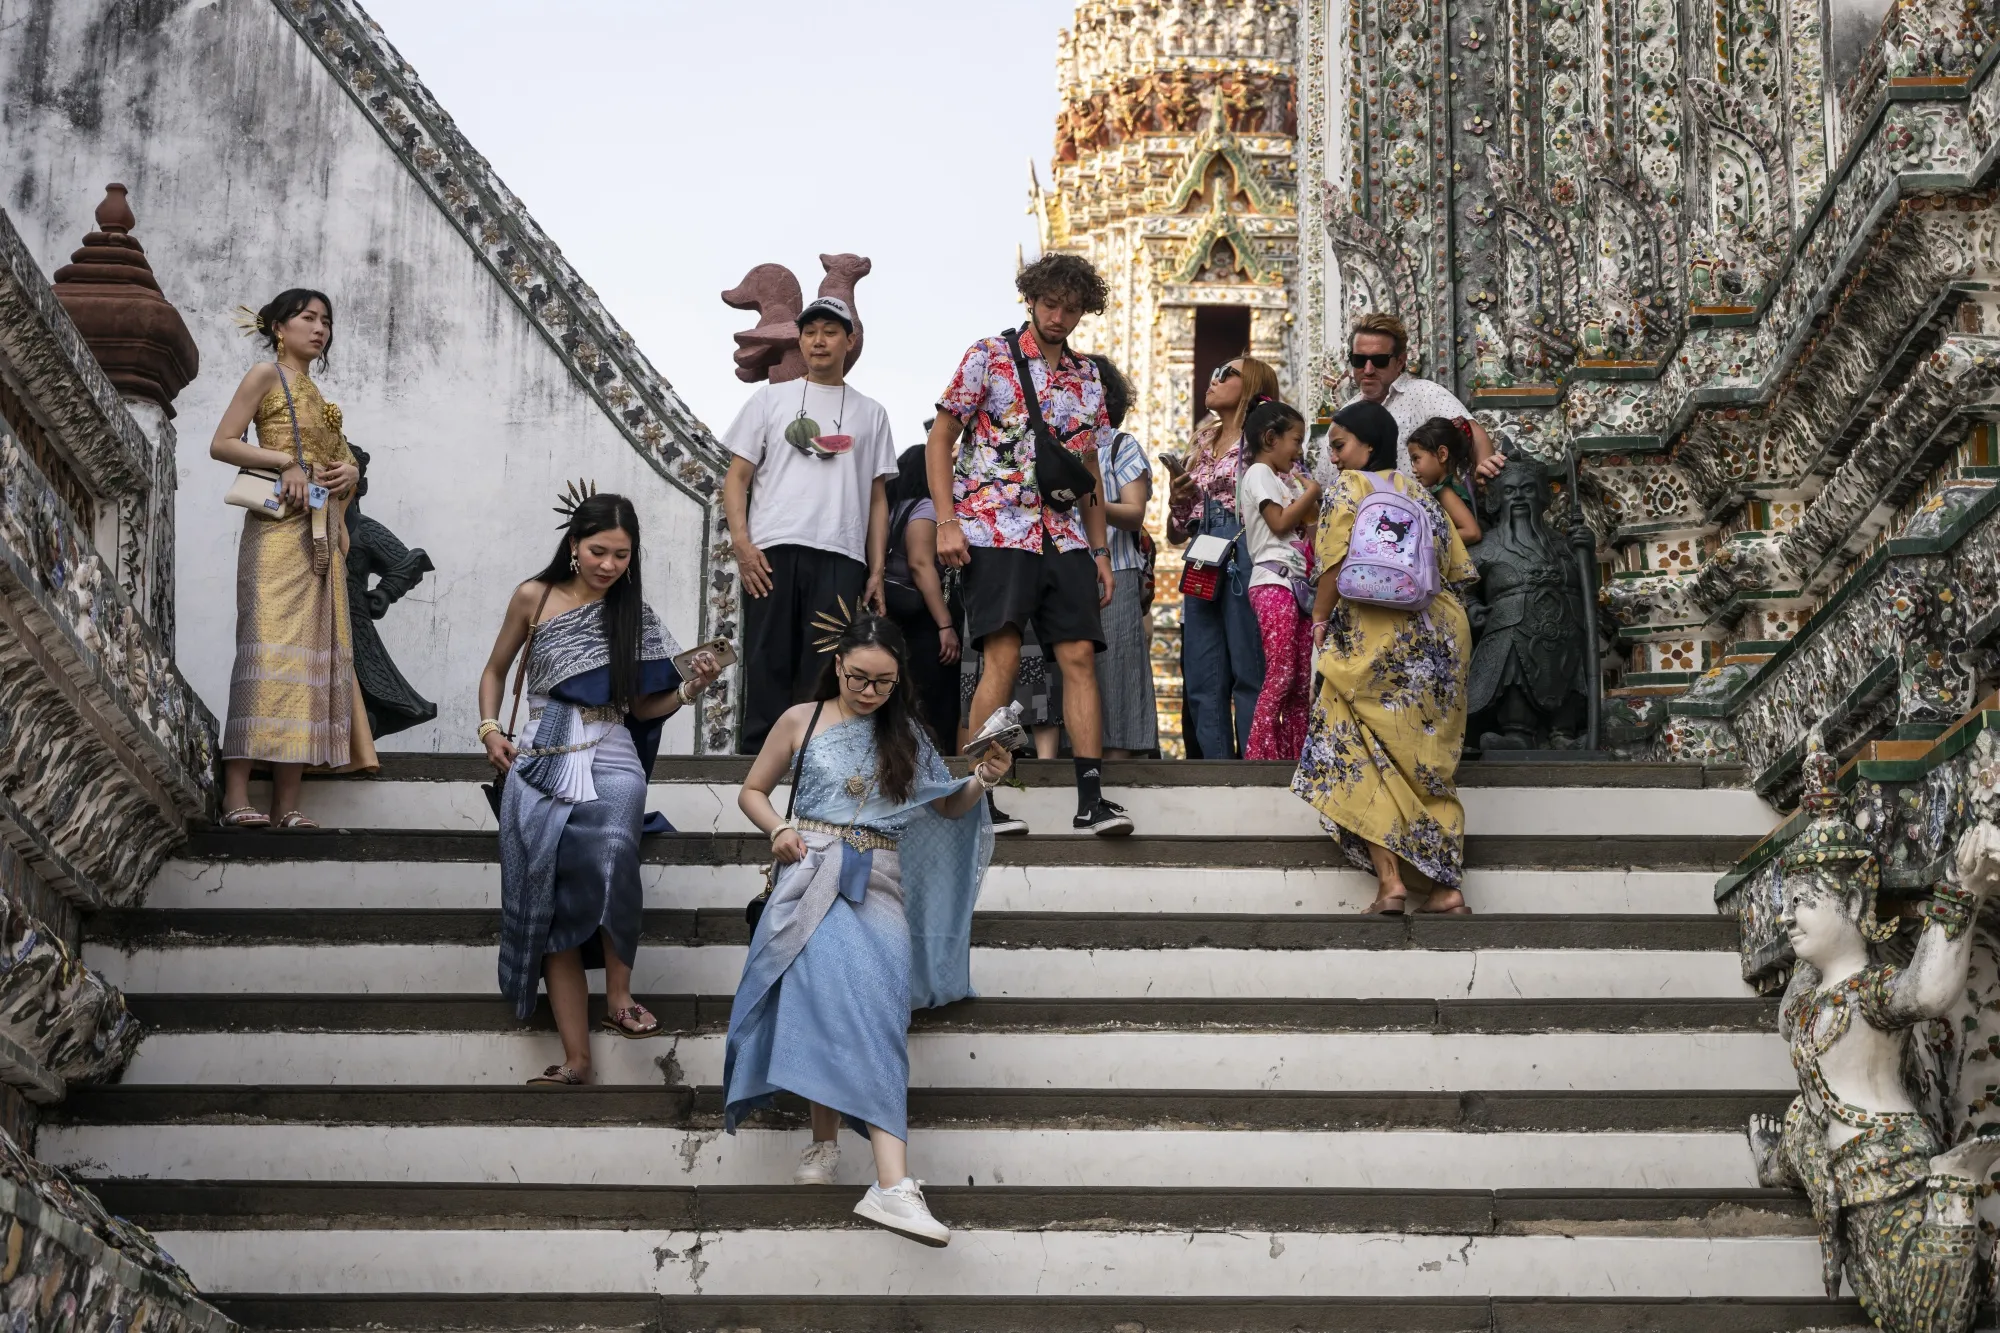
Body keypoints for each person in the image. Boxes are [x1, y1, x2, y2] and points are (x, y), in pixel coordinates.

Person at [724, 612, 1008, 1247]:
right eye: (859, 678)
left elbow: (948, 805)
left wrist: (982, 778)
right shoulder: (801, 718)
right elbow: (752, 790)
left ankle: (869, 1170)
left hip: (879, 880)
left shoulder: (904, 732)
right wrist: (778, 828)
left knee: (875, 1011)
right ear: (838, 665)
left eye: (883, 682)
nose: (869, 692)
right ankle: (880, 1175)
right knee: (825, 1003)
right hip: (808, 873)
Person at [478, 493, 720, 1085]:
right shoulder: (533, 597)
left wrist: (693, 688)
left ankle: (618, 995)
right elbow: (495, 671)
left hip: (611, 754)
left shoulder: (633, 616)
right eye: (598, 551)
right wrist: (489, 729)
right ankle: (577, 1058)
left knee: (613, 849)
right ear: (573, 545)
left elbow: (643, 706)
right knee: (549, 892)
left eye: (621, 555)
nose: (609, 565)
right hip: (540, 753)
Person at [925, 252, 1131, 835]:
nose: (1059, 317)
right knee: (1004, 657)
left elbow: (1087, 467)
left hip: (1063, 535)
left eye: (1071, 308)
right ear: (1031, 299)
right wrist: (947, 520)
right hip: (996, 526)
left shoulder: (1088, 376)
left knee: (1078, 657)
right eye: (1050, 304)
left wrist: (1098, 551)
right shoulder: (987, 357)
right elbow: (942, 438)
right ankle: (983, 798)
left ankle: (1091, 801)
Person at [1293, 400, 1478, 915]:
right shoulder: (1421, 491)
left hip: (1372, 635)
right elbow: (1455, 568)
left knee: (1354, 744)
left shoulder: (1348, 490)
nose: (1333, 457)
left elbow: (1331, 568)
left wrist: (1320, 623)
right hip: (1437, 639)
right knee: (1427, 765)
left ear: (1368, 445)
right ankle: (1446, 890)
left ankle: (1391, 883)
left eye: (1339, 444)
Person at [209, 289, 375, 830]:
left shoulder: (319, 395)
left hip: (318, 539)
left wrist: (349, 473)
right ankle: (236, 794)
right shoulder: (266, 376)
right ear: (279, 327)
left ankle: (287, 805)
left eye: (326, 320)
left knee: (307, 659)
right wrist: (286, 462)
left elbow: (339, 461)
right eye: (308, 318)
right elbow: (223, 443)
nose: (320, 328)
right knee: (264, 655)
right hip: (274, 535)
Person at [724, 296, 897, 754]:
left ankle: (818, 755)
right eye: (810, 331)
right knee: (767, 656)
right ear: (801, 340)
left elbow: (878, 499)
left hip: (841, 554)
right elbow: (736, 479)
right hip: (772, 550)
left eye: (831, 331)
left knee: (827, 661)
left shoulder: (871, 412)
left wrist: (876, 568)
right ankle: (757, 756)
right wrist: (742, 545)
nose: (819, 341)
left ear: (850, 340)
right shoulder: (769, 399)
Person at [1165, 354, 1282, 759]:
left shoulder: (1268, 437)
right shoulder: (1202, 439)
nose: (1212, 379)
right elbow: (1176, 532)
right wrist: (1178, 500)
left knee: (1249, 668)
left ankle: (1253, 771)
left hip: (1247, 548)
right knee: (1201, 671)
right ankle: (1215, 770)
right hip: (1202, 552)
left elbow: (1287, 502)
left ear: (1251, 385)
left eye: (1224, 373)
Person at [1235, 398, 1319, 761]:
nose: (1299, 450)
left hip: (1297, 586)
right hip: (1273, 582)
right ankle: (1260, 756)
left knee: (1302, 683)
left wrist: (1307, 501)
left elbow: (1308, 532)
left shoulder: (1281, 482)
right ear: (1271, 438)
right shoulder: (1258, 474)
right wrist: (1313, 492)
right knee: (1282, 674)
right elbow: (1280, 524)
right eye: (1296, 440)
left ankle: (1295, 755)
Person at [1087, 353, 1158, 759]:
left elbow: (1134, 514)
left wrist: (1088, 503)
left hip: (1118, 568)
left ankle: (1120, 764)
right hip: (1063, 571)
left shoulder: (1119, 446)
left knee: (1118, 672)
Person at [1342, 312, 1503, 480]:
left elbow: (1471, 431)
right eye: (1359, 360)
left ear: (1400, 362)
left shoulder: (1425, 394)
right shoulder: (1345, 414)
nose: (1368, 369)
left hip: (1422, 504)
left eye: (1379, 361)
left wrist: (1485, 476)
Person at [879, 442, 960, 747]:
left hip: (891, 612)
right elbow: (921, 564)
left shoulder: (890, 508)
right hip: (919, 615)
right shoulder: (925, 507)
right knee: (932, 695)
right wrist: (945, 624)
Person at [1406, 417, 1482, 545]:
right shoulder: (1454, 487)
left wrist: (1426, 541)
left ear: (1442, 454)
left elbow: (1472, 532)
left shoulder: (1445, 492)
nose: (1413, 469)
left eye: (1416, 459)